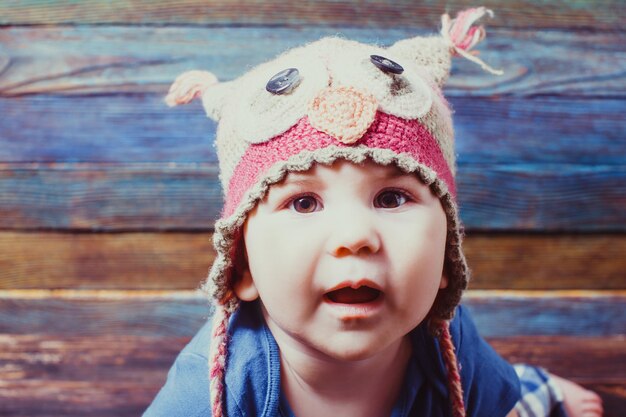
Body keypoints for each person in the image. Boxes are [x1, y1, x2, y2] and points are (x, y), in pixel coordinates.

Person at [145, 7, 603, 417]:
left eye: (391, 199)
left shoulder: (450, 342)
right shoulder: (210, 390)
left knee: (509, 399)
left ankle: (533, 388)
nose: (355, 236)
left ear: (446, 256)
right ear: (242, 267)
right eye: (304, 203)